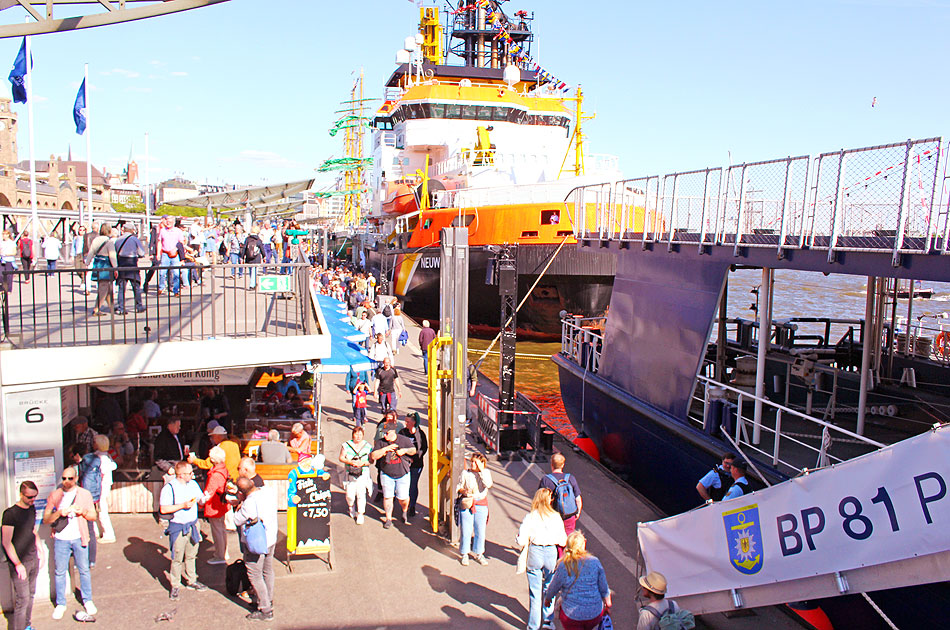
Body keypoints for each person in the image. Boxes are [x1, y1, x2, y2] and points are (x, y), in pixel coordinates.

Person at [44, 465, 98, 620]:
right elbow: (47, 519)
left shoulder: (84, 494)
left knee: (84, 570)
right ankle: (61, 603)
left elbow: (93, 516)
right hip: (61, 538)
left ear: (76, 479)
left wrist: (83, 512)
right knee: (60, 571)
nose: (66, 481)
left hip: (79, 536)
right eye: (64, 478)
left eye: (70, 478)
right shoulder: (55, 495)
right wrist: (60, 512)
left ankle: (87, 600)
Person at [518, 488, 568, 630]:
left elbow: (521, 540)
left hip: (535, 552)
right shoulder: (556, 517)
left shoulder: (531, 516)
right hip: (551, 553)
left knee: (535, 592)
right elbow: (563, 541)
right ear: (550, 500)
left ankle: (533, 625)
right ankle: (548, 622)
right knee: (549, 589)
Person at [159, 461, 208, 600]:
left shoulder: (193, 484)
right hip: (178, 526)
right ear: (181, 475)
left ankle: (192, 580)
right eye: (189, 473)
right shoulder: (169, 488)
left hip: (193, 524)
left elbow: (200, 500)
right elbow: (164, 509)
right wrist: (183, 505)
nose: (192, 475)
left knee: (192, 554)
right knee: (177, 557)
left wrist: (205, 498)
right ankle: (175, 585)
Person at [232, 476, 279, 621]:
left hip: (256, 544)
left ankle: (265, 609)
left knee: (255, 575)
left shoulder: (249, 504)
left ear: (241, 492)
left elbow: (236, 520)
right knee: (267, 570)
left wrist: (239, 504)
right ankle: (268, 599)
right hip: (271, 539)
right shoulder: (268, 493)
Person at [544, 530, 611, 630]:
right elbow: (604, 587)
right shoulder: (594, 562)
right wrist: (607, 603)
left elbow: (554, 586)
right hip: (594, 613)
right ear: (584, 543)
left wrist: (548, 599)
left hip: (571, 616)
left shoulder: (564, 566)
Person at [2, 481, 41, 630]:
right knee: (22, 599)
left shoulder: (32, 509)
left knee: (30, 596)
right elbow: (6, 542)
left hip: (33, 558)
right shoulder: (10, 514)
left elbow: (32, 530)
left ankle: (27, 626)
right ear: (21, 494)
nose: (32, 500)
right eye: (29, 497)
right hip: (20, 562)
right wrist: (18, 564)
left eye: (34, 497)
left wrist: (40, 551)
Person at [371, 423, 416, 529]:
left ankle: (404, 510)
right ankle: (388, 519)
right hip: (387, 474)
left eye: (387, 433)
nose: (385, 436)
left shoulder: (403, 440)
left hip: (402, 474)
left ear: (393, 432)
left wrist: (404, 451)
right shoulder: (382, 443)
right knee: (388, 497)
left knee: (403, 498)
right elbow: (373, 456)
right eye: (383, 433)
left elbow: (413, 450)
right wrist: (386, 449)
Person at [539, 452, 583, 547]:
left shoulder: (546, 480)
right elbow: (578, 498)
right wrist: (578, 511)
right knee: (568, 538)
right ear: (563, 465)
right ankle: (567, 558)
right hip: (569, 514)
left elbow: (540, 499)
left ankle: (557, 558)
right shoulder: (570, 478)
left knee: (553, 538)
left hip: (553, 514)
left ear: (551, 465)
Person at [456, 452, 493, 565]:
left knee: (480, 531)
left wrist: (481, 471)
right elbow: (459, 486)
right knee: (466, 531)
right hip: (467, 503)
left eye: (475, 462)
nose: (472, 464)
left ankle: (479, 553)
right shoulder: (465, 473)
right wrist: (463, 491)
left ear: (482, 463)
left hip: (481, 504)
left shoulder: (486, 473)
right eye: (471, 461)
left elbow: (488, 484)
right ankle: (465, 554)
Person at [201, 446, 230, 565]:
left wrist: (201, 502)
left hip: (215, 505)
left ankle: (220, 555)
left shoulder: (215, 474)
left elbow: (209, 492)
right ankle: (224, 552)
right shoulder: (223, 469)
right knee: (222, 529)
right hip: (221, 504)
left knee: (217, 530)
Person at [339, 425, 373, 525]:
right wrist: (349, 462)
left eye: (360, 435)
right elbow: (341, 457)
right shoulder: (346, 445)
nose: (358, 437)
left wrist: (362, 463)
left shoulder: (368, 446)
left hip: (363, 473)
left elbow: (371, 461)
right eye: (356, 434)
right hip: (350, 473)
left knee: (361, 494)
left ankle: (360, 513)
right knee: (350, 494)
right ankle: (351, 507)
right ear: (353, 435)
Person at [399, 412, 428, 518]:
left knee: (412, 485)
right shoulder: (403, 432)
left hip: (416, 464)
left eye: (408, 421)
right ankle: (403, 505)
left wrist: (415, 457)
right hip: (404, 463)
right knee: (403, 485)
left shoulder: (420, 434)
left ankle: (412, 506)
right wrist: (406, 458)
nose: (406, 423)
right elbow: (398, 446)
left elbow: (423, 448)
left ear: (414, 422)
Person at [85, 222, 118, 316]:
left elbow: (91, 252)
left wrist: (87, 263)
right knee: (104, 287)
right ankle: (97, 308)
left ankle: (111, 306)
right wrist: (116, 268)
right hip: (106, 264)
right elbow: (112, 255)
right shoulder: (109, 241)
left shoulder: (96, 240)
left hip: (98, 262)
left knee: (107, 287)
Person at [90, 434, 118, 543]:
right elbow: (114, 466)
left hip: (101, 487)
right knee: (100, 509)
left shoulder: (98, 458)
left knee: (102, 510)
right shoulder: (107, 456)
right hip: (105, 486)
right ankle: (98, 530)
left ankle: (108, 533)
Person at [114, 223, 146, 314]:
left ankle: (121, 308)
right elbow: (142, 253)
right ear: (132, 230)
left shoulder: (118, 240)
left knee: (121, 287)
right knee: (136, 286)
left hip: (121, 263)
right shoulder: (134, 239)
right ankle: (139, 306)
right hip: (132, 263)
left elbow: (115, 251)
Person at [157, 214, 184, 296]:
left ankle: (176, 290)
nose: (168, 223)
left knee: (176, 273)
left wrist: (176, 249)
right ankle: (161, 287)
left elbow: (182, 242)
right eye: (167, 222)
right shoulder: (162, 231)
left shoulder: (178, 231)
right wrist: (158, 253)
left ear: (173, 223)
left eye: (170, 222)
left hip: (174, 254)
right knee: (162, 272)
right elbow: (159, 242)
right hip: (165, 253)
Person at [242, 225, 265, 289]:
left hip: (249, 257)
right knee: (254, 271)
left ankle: (253, 282)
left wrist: (242, 257)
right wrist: (264, 256)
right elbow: (262, 248)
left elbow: (244, 248)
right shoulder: (258, 240)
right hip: (256, 257)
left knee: (251, 271)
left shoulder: (248, 239)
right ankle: (252, 284)